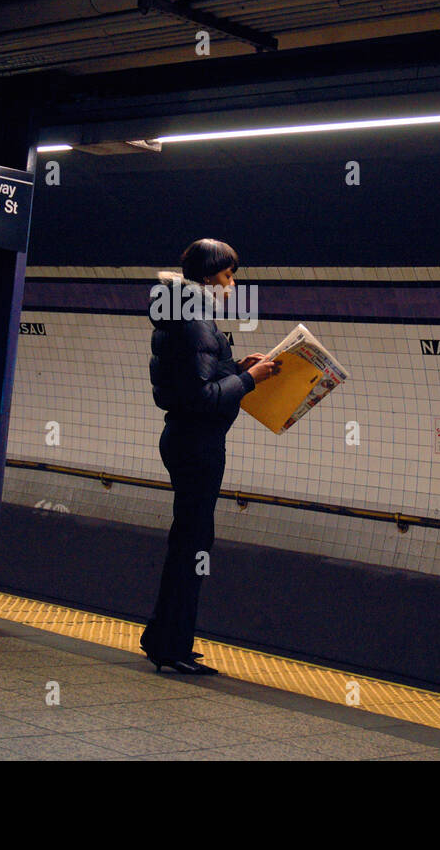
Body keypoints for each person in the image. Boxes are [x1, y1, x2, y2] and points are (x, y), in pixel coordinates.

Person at [141, 238, 280, 675]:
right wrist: (252, 379)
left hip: (183, 437)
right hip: (197, 442)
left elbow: (193, 379)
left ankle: (165, 638)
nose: (232, 284)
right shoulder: (195, 320)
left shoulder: (180, 314)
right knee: (193, 545)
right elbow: (201, 397)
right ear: (207, 278)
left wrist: (238, 368)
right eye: (227, 276)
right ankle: (171, 647)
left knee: (187, 541)